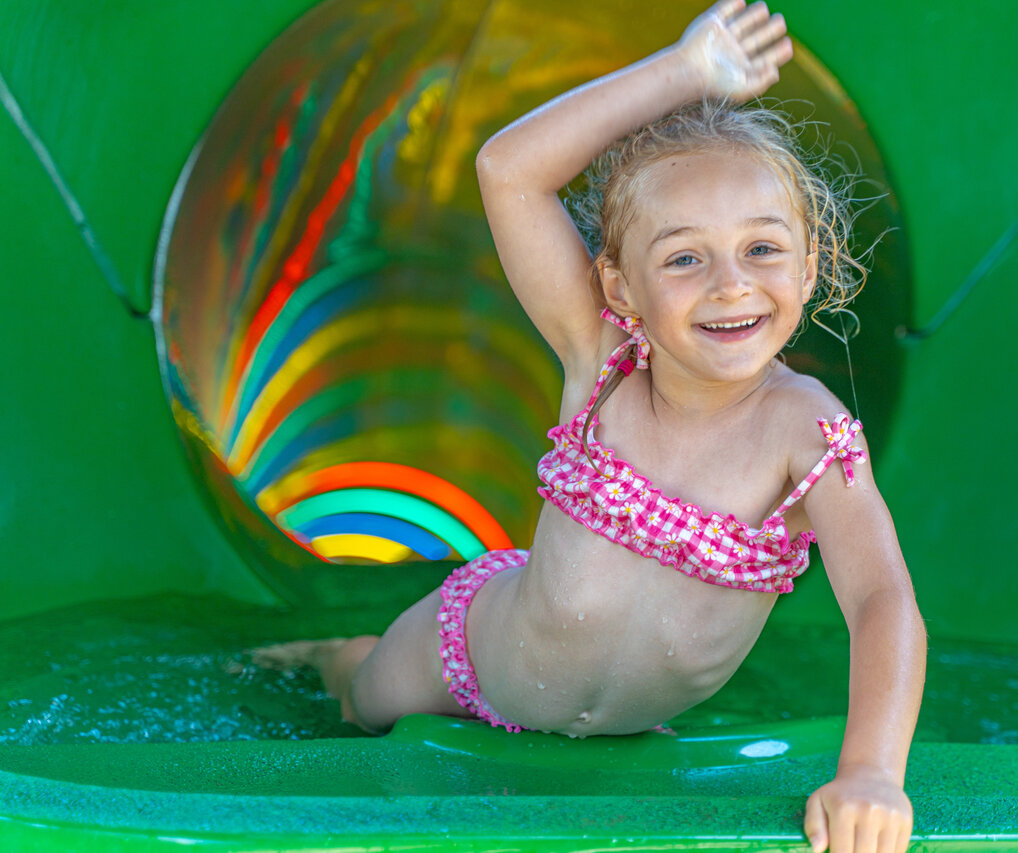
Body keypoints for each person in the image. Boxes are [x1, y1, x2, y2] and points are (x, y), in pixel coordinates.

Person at [260, 2, 926, 850]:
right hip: (465, 652)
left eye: (762, 249)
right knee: (362, 703)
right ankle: (332, 653)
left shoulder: (809, 435)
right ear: (620, 289)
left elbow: (882, 598)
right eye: (684, 257)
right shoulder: (602, 360)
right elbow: (508, 170)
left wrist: (871, 769)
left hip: (619, 732)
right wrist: (683, 73)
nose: (730, 285)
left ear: (811, 263)